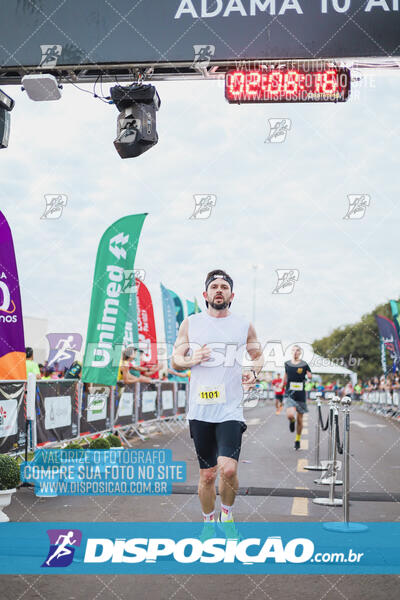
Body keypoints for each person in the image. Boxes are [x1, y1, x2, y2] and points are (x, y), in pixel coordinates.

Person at [171, 269, 264, 539]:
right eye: (214, 287)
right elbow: (176, 360)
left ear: (232, 295)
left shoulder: (243, 324)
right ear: (205, 294)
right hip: (200, 409)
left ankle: (227, 513)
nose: (219, 290)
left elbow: (258, 355)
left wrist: (253, 371)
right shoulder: (191, 323)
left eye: (224, 286)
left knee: (229, 468)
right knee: (208, 476)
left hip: (230, 409)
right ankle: (208, 523)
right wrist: (193, 358)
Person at [282, 345, 312, 450]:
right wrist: (282, 385)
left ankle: (297, 440)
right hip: (290, 393)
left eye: (297, 350)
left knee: (300, 419)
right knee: (290, 415)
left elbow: (310, 375)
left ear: (300, 352)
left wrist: (309, 376)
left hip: (301, 394)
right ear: (291, 352)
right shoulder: (287, 364)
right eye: (293, 350)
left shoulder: (304, 364)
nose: (295, 352)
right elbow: (285, 376)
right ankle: (291, 421)